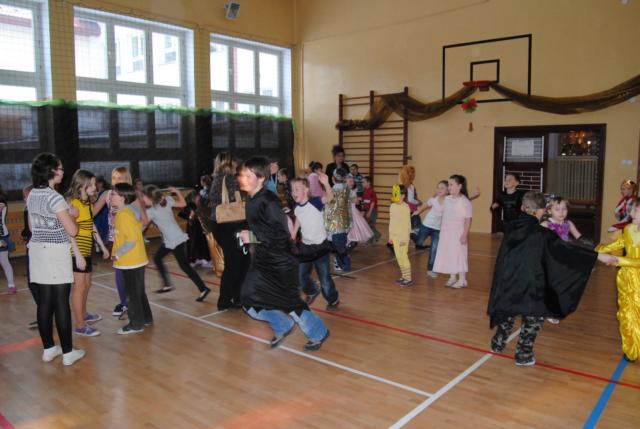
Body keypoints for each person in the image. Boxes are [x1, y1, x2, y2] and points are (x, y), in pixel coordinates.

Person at [488, 191, 611, 366]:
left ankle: (498, 343)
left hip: (510, 278)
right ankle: (523, 354)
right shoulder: (542, 233)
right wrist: (598, 256)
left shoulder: (512, 227)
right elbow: (567, 250)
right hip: (532, 282)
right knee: (535, 315)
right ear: (542, 210)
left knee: (509, 310)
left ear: (522, 207)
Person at [238, 156, 330, 351]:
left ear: (261, 178)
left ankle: (318, 332)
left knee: (290, 303)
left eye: (248, 175)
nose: (242, 178)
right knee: (248, 300)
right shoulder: (250, 200)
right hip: (262, 261)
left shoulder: (269, 201)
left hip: (281, 262)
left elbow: (280, 235)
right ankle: (282, 324)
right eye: (243, 174)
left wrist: (252, 237)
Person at [27, 152, 85, 365]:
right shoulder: (55, 197)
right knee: (61, 302)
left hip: (37, 252)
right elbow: (73, 230)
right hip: (55, 252)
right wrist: (73, 215)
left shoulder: (33, 194)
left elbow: (32, 227)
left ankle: (49, 349)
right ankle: (68, 352)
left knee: (44, 303)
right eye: (60, 168)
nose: (62, 171)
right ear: (51, 171)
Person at [142, 185, 211, 302]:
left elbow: (142, 226)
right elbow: (183, 203)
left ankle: (203, 288)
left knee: (185, 266)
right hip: (172, 239)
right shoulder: (165, 202)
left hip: (175, 240)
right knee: (157, 258)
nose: (142, 199)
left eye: (143, 197)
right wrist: (177, 192)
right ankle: (167, 284)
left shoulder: (151, 211)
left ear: (150, 197)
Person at [66, 169, 110, 337]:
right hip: (75, 251)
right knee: (79, 286)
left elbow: (91, 226)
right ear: (81, 185)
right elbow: (69, 231)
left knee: (87, 284)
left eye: (94, 184)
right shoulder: (73, 204)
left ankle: (83, 314)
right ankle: (79, 325)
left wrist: (102, 246)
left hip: (86, 249)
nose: (94, 187)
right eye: (91, 185)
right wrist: (77, 254)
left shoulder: (88, 204)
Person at [597, 199, 640, 362]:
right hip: (626, 278)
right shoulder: (628, 228)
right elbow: (621, 242)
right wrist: (600, 249)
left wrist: (619, 261)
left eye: (636, 211)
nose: (631, 213)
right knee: (626, 314)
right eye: (632, 210)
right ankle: (631, 349)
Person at [291, 172, 340, 310]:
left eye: (297, 189)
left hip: (320, 248)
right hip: (305, 247)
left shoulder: (315, 202)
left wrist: (326, 184)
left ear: (306, 190)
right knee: (301, 277)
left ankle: (333, 299)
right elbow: (298, 219)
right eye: (293, 190)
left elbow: (329, 198)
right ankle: (312, 291)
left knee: (324, 279)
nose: (294, 192)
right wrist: (293, 234)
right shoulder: (296, 207)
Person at [209, 151, 250, 310]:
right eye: (234, 161)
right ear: (229, 163)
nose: (237, 164)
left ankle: (232, 298)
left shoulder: (217, 179)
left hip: (221, 225)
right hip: (231, 225)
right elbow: (238, 198)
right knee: (238, 262)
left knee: (236, 261)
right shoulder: (230, 179)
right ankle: (229, 299)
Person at [93, 166, 135, 318]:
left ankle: (135, 303)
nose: (116, 180)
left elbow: (142, 218)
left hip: (130, 238)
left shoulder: (132, 195)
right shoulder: (107, 194)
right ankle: (124, 302)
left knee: (132, 273)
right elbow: (92, 212)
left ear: (127, 179)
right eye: (114, 177)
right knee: (119, 272)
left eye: (120, 178)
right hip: (114, 239)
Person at [111, 183, 152, 334]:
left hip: (130, 261)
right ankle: (146, 318)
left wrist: (117, 254)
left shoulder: (123, 214)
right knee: (139, 291)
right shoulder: (129, 211)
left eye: (114, 194)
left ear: (122, 197)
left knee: (132, 294)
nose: (111, 197)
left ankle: (136, 324)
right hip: (137, 258)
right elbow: (139, 227)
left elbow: (131, 239)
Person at [433, 174, 472, 288]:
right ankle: (452, 277)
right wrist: (437, 197)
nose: (448, 187)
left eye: (451, 185)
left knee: (459, 255)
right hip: (446, 232)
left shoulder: (464, 201)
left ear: (459, 186)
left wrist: (464, 234)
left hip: (458, 232)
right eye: (448, 185)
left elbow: (468, 219)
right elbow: (439, 210)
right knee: (449, 254)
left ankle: (462, 280)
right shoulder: (447, 199)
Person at [412, 180, 447, 278]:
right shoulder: (433, 199)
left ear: (447, 190)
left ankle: (430, 269)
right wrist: (418, 211)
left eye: (442, 188)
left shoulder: (449, 201)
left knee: (434, 249)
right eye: (438, 187)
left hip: (437, 229)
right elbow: (425, 205)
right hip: (426, 225)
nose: (439, 189)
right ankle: (413, 234)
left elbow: (460, 201)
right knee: (418, 242)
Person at [325, 168, 352, 272]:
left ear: (333, 178)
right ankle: (341, 264)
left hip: (335, 224)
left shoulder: (333, 191)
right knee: (339, 246)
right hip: (345, 223)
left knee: (339, 247)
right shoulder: (346, 189)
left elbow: (329, 208)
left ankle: (345, 265)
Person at [389, 184, 412, 287]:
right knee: (398, 257)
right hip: (395, 237)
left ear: (403, 195)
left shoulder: (405, 208)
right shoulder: (392, 206)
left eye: (397, 194)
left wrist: (404, 238)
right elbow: (391, 222)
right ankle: (404, 276)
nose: (395, 195)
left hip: (403, 237)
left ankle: (408, 278)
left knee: (404, 257)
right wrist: (390, 236)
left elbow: (407, 224)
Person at [346, 175, 373, 246]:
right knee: (348, 229)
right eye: (350, 181)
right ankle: (347, 242)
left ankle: (349, 242)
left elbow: (357, 202)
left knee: (354, 228)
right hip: (346, 212)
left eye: (353, 181)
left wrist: (357, 200)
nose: (352, 183)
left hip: (353, 211)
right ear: (345, 182)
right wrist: (351, 200)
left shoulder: (353, 191)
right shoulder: (343, 191)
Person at [0, 184, 15, 294]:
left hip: (2, 236)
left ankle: (11, 285)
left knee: (4, 261)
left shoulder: (1, 203)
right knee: (5, 261)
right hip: (2, 235)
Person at [399, 165, 421, 231]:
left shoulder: (400, 185)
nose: (415, 175)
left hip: (402, 211)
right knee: (415, 230)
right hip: (411, 210)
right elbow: (410, 200)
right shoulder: (410, 186)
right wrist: (418, 202)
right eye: (414, 173)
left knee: (405, 229)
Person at [361, 176, 381, 244]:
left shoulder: (372, 191)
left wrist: (369, 212)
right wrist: (363, 211)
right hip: (367, 210)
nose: (362, 183)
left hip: (372, 211)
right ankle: (376, 236)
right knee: (368, 225)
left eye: (363, 182)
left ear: (368, 183)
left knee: (369, 225)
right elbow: (365, 201)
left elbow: (373, 202)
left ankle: (372, 238)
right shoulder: (365, 191)